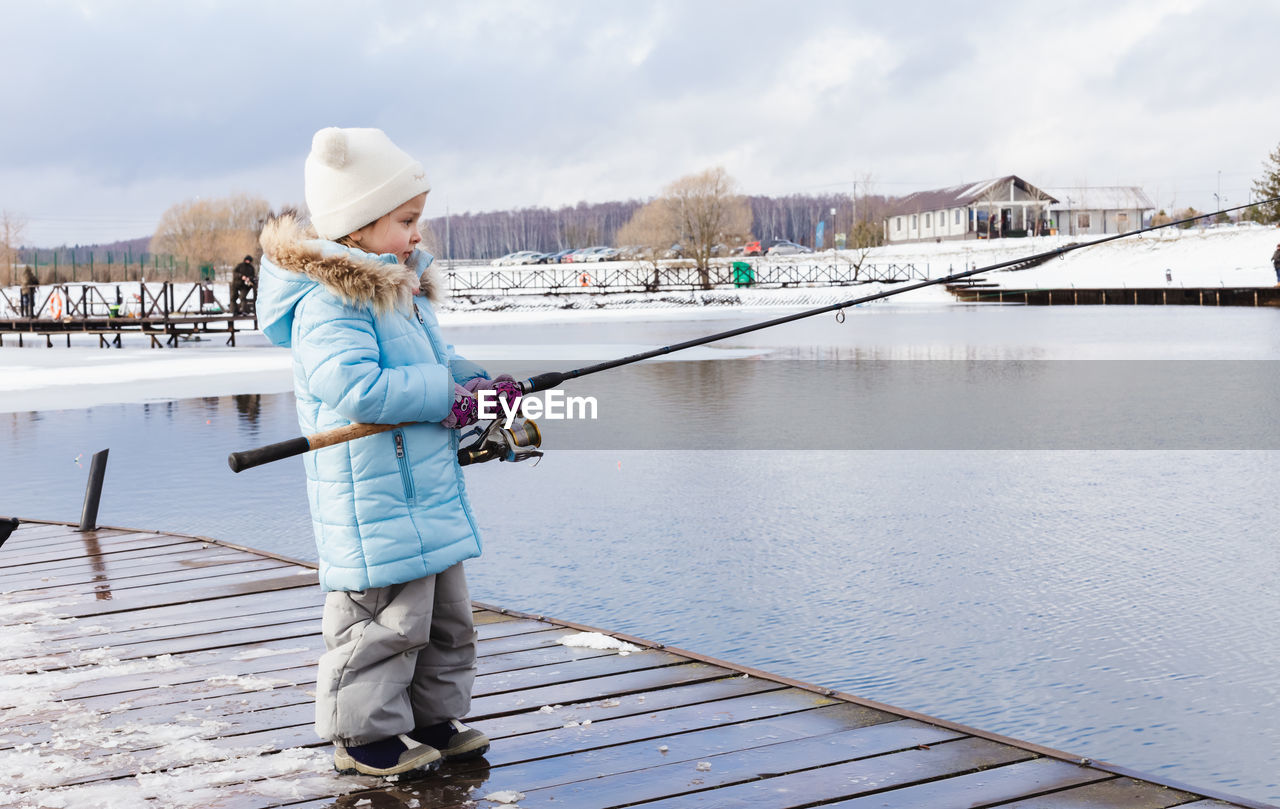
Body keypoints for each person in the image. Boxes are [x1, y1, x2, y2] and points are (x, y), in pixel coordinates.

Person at [255, 127, 522, 778]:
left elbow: (437, 363)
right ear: (358, 224)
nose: (416, 234)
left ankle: (433, 718)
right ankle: (364, 735)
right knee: (382, 623)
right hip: (370, 500)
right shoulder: (329, 304)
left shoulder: (398, 291)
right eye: (405, 220)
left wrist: (479, 386)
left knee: (446, 620)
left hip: (423, 489)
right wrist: (444, 396)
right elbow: (357, 388)